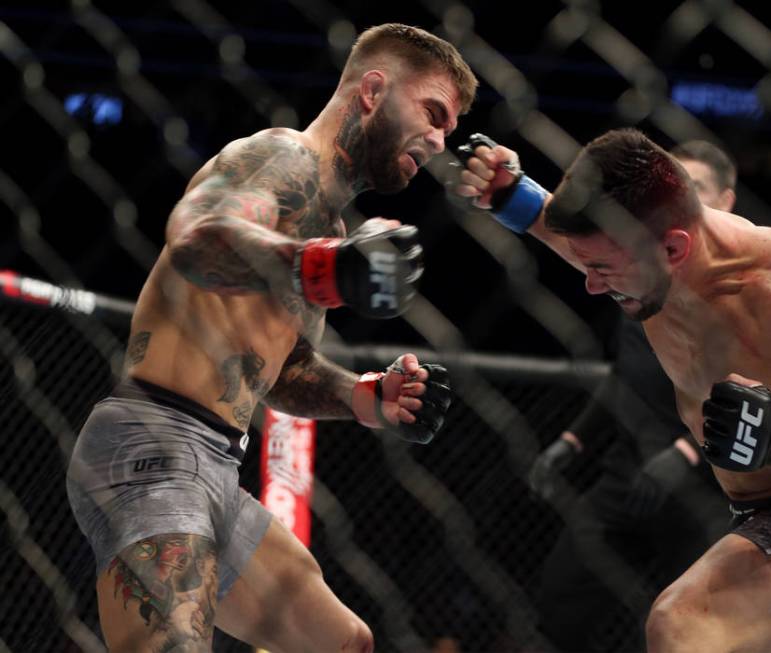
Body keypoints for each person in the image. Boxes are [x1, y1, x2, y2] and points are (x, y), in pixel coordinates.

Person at [66, 23, 476, 653]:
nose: (440, 140)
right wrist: (324, 267)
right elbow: (196, 236)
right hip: (151, 443)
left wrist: (369, 397)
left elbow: (286, 369)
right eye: (433, 112)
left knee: (343, 642)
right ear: (373, 90)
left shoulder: (329, 222)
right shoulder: (281, 157)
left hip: (216, 464)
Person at [453, 128, 771, 652]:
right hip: (759, 512)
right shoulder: (646, 259)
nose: (591, 284)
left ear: (673, 248)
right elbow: (589, 244)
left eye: (602, 270)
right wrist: (514, 197)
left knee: (682, 623)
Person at [526, 141, 738, 652]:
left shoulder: (735, 281)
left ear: (726, 201)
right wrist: (574, 440)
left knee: (692, 624)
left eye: (698, 189)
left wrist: (686, 454)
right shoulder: (634, 270)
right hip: (626, 471)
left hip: (705, 481)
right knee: (557, 602)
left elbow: (754, 390)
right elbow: (627, 375)